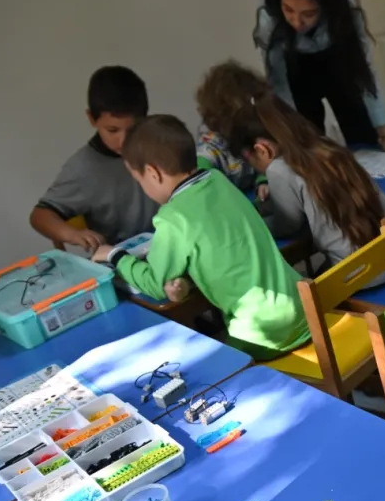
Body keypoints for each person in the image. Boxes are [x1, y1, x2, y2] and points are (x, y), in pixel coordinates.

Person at [91, 115, 310, 361]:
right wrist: (184, 280)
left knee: (207, 366)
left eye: (139, 180)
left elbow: (154, 283)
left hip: (264, 335)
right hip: (304, 311)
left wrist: (115, 255)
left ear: (153, 173)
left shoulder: (173, 218)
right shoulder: (218, 180)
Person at [228, 94, 385, 282]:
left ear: (262, 150)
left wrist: (252, 221)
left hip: (367, 274)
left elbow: (287, 225)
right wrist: (268, 204)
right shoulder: (325, 145)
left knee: (303, 283)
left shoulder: (279, 169)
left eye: (249, 161)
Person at [254, 0, 385, 151]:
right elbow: (279, 84)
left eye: (308, 14)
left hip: (336, 62)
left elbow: (364, 72)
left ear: (325, 7)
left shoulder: (344, 12)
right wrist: (291, 140)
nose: (297, 22)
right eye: (288, 10)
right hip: (296, 70)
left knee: (362, 134)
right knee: (309, 142)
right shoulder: (269, 19)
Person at [30, 66, 157, 249]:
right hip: (120, 258)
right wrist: (72, 234)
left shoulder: (160, 146)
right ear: (91, 118)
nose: (123, 141)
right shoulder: (83, 168)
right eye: (112, 130)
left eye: (132, 129)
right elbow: (40, 216)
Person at [194, 60, 271, 198]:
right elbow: (200, 185)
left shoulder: (253, 133)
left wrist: (263, 181)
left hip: (255, 196)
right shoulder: (209, 150)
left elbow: (268, 161)